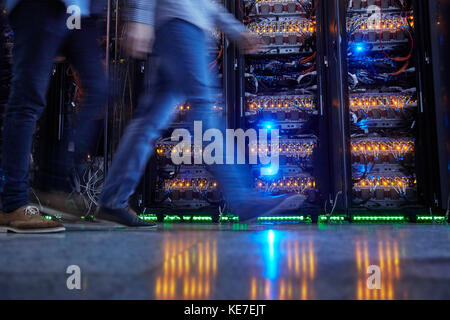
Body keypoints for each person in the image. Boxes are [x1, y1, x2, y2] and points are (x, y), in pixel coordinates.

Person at [97, 0, 304, 226]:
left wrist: (236, 30)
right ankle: (243, 199)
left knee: (149, 121)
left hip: (181, 27)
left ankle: (113, 200)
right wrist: (140, 18)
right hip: (181, 25)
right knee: (203, 109)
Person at [0, 0, 107, 233]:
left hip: (80, 11)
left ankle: (52, 184)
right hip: (39, 7)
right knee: (28, 101)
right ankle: (13, 203)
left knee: (100, 88)